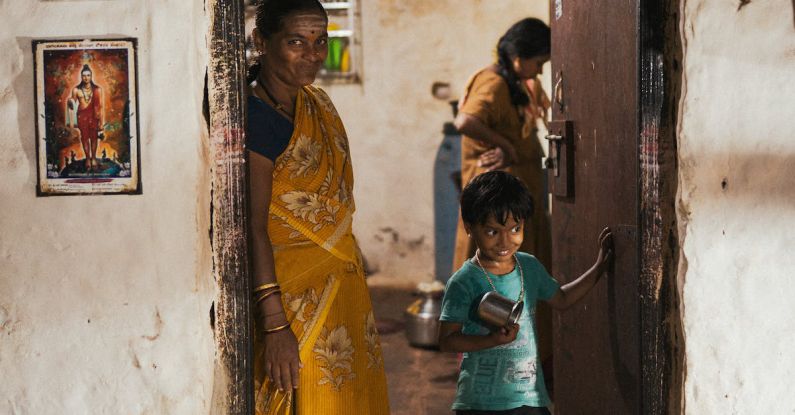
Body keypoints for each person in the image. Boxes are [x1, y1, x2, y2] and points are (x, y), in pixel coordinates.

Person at [245, 1, 389, 414]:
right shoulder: (257, 118)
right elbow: (254, 227)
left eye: (320, 41)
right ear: (262, 42)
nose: (312, 54)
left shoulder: (317, 105)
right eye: (296, 41)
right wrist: (275, 326)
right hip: (292, 305)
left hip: (342, 290)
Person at [438, 171, 613, 415]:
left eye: (515, 228)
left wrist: (599, 268)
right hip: (480, 402)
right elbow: (447, 341)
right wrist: (492, 341)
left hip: (528, 397)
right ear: (470, 227)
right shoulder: (464, 282)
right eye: (492, 231)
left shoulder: (529, 267)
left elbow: (561, 299)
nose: (505, 241)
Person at [451, 17, 555, 375]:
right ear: (518, 57)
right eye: (538, 63)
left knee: (519, 278)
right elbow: (465, 121)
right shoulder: (494, 83)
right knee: (494, 281)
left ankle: (521, 357)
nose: (539, 72)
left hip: (515, 203)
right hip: (497, 209)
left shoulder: (517, 84)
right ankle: (490, 360)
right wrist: (506, 145)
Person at [70, 64, 104, 172]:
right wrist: (70, 102)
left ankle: (93, 158)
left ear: (91, 76)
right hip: (82, 116)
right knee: (85, 138)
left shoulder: (97, 89)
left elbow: (100, 107)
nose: (86, 78)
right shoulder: (76, 90)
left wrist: (101, 122)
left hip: (94, 116)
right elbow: (72, 104)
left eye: (88, 75)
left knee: (94, 137)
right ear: (81, 76)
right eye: (84, 75)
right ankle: (88, 159)